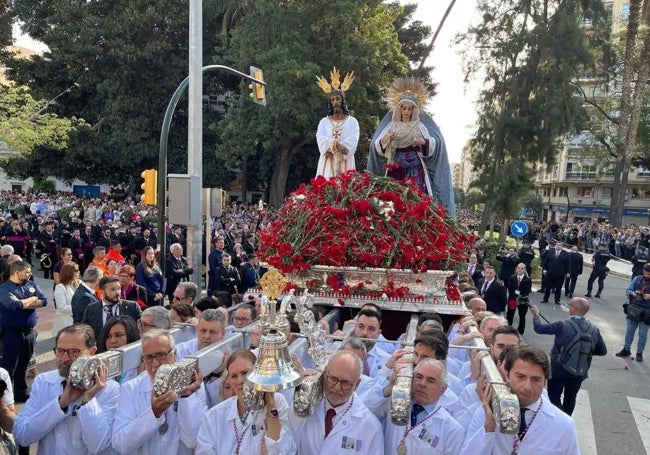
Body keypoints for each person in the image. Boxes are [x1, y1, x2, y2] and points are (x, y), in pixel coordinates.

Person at [13, 324, 119, 453]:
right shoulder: (43, 382)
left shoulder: (109, 389)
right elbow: (21, 435)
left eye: (74, 352)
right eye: (60, 351)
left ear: (92, 352)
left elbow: (99, 445)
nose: (64, 359)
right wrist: (60, 404)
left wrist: (88, 401)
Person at [462, 345, 580, 454]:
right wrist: (489, 429)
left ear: (545, 381)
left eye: (536, 379)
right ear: (507, 375)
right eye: (520, 377)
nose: (527, 386)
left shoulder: (564, 425)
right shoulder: (486, 414)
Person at [367, 77, 455, 216]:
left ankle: (415, 222)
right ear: (399, 109)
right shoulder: (392, 126)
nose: (406, 112)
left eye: (409, 109)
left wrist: (423, 142)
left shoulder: (419, 126)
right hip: (395, 166)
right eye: (404, 108)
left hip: (415, 166)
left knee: (415, 197)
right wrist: (388, 140)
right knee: (393, 196)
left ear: (414, 110)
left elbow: (436, 143)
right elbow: (376, 145)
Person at [112, 329, 206, 454]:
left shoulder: (193, 384)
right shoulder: (131, 389)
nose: (155, 363)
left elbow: (192, 440)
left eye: (161, 355)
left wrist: (186, 397)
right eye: (149, 357)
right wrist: (154, 413)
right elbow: (120, 444)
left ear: (174, 354)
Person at [195, 349, 296, 454]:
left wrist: (270, 403)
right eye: (234, 376)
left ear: (258, 372)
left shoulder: (276, 401)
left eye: (245, 373)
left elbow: (285, 450)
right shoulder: (214, 416)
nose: (240, 381)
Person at [290, 350, 384, 454]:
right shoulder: (306, 406)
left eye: (345, 383)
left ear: (357, 384)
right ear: (325, 373)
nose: (337, 387)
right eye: (333, 379)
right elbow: (288, 441)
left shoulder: (370, 427)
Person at [531, 297, 607, 415]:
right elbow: (602, 351)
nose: (568, 306)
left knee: (554, 395)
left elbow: (539, 329)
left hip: (559, 368)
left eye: (570, 305)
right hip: (580, 370)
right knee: (571, 397)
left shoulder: (562, 325)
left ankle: (561, 420)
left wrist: (536, 315)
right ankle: (567, 419)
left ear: (574, 308)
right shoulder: (594, 329)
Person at [379, 358, 464, 454]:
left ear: (442, 389)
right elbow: (369, 409)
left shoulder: (452, 429)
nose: (422, 384)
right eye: (419, 377)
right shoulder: (394, 401)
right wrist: (389, 388)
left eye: (430, 381)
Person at [0, 261, 47, 402]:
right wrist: (32, 299)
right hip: (11, 333)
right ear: (17, 272)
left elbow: (44, 301)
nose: (30, 274)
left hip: (29, 332)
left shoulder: (31, 284)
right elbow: (13, 305)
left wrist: (23, 302)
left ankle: (21, 392)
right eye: (27, 272)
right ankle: (5, 397)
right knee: (9, 366)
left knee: (24, 364)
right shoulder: (4, 288)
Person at [315, 67, 359, 178]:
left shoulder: (352, 122)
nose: (335, 102)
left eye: (338, 99)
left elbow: (353, 139)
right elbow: (321, 138)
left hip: (345, 161)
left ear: (343, 101)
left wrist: (337, 148)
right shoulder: (324, 122)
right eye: (332, 100)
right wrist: (336, 146)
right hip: (328, 161)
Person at [82, 276, 142, 341]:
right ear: (102, 292)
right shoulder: (91, 308)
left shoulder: (132, 307)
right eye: (113, 289)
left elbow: (141, 328)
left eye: (119, 289)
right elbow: (86, 333)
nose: (117, 292)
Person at [616, 264, 650, 362]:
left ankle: (639, 353)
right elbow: (628, 290)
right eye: (645, 273)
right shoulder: (637, 279)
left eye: (649, 274)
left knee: (643, 334)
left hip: (647, 312)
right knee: (630, 330)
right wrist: (632, 293)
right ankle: (626, 349)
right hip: (634, 309)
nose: (647, 275)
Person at [53, 263, 80, 334]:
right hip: (65, 322)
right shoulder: (60, 287)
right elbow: (62, 307)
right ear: (70, 273)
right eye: (76, 270)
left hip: (77, 321)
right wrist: (79, 308)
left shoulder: (79, 284)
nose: (79, 272)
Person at [506, 263, 532, 335]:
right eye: (519, 268)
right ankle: (508, 328)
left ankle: (520, 331)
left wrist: (520, 298)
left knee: (522, 315)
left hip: (522, 300)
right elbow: (510, 288)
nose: (520, 270)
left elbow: (527, 291)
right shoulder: (512, 277)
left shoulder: (527, 279)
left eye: (522, 268)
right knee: (510, 314)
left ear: (524, 270)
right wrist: (514, 298)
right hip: (512, 299)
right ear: (516, 269)